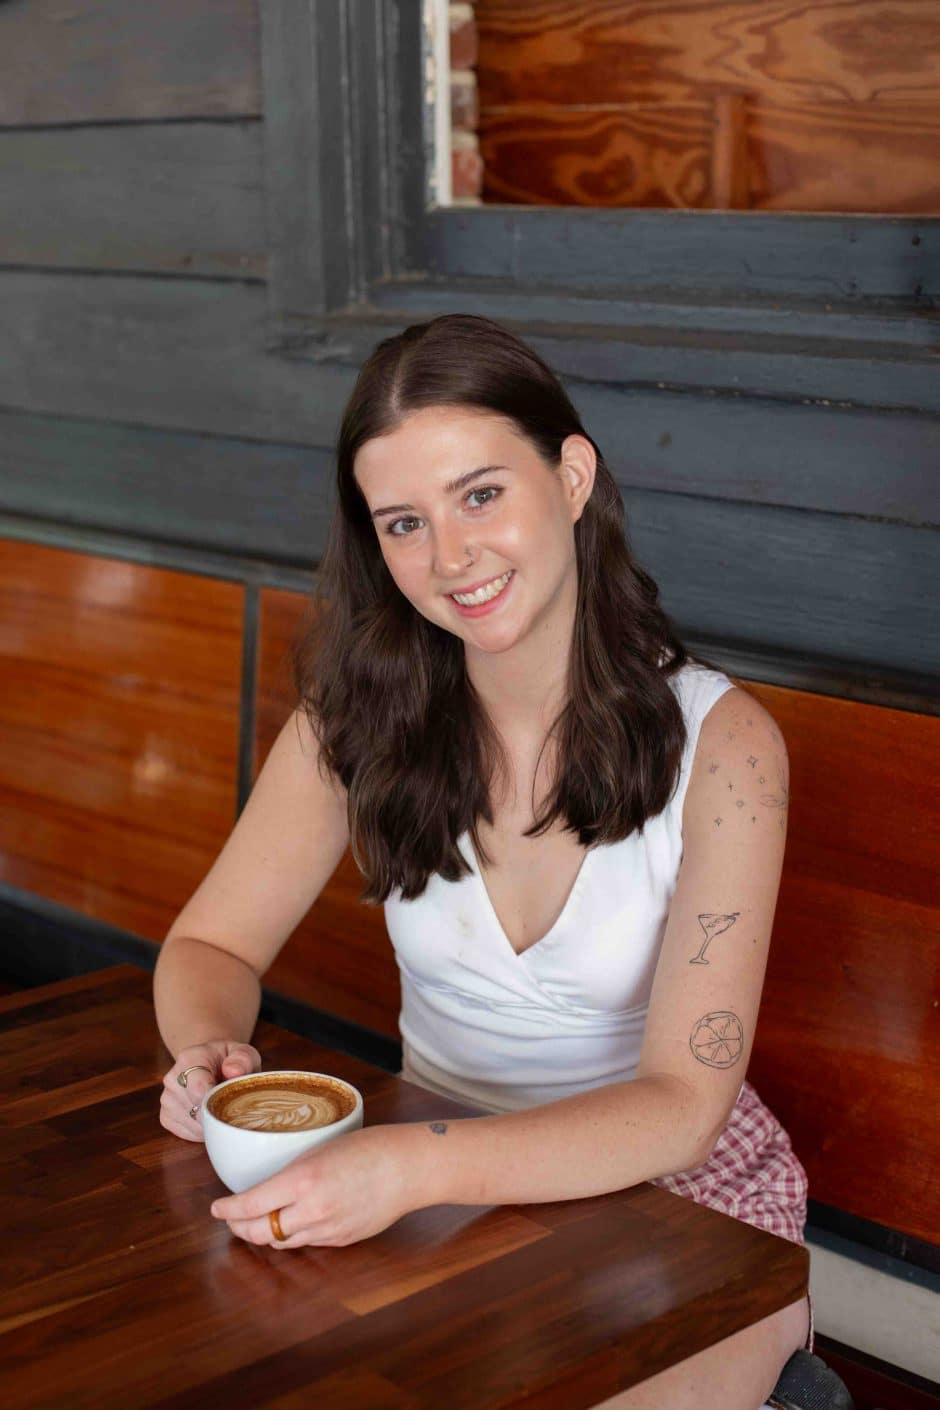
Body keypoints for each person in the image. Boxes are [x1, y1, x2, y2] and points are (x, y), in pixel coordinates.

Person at [155, 314, 811, 1409]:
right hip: (421, 1183)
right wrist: (209, 1049)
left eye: (480, 495)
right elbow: (211, 942)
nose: (449, 558)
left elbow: (681, 1106)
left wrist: (414, 1168)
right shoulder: (349, 725)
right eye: (404, 523)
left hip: (674, 1204)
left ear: (570, 477)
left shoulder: (726, 745)